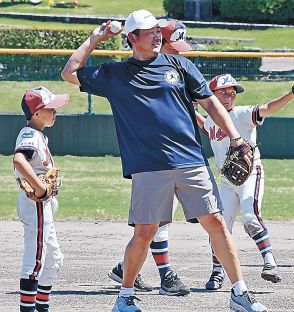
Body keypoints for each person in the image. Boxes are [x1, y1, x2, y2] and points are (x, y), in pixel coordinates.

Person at [61, 9, 267, 312]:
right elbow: (69, 72)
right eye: (149, 32)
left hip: (190, 160)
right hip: (148, 165)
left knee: (218, 224)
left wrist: (236, 137)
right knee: (144, 233)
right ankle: (125, 297)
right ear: (132, 38)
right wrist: (96, 37)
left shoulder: (179, 65)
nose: (157, 35)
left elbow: (210, 104)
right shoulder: (115, 74)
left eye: (158, 30)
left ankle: (239, 292)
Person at [108, 19, 193, 297]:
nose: (177, 52)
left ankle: (127, 267)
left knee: (157, 222)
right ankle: (164, 274)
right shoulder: (140, 70)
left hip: (173, 153)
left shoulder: (174, 68)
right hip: (151, 156)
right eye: (172, 45)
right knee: (155, 222)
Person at [194, 74, 294, 290]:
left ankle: (269, 261)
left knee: (250, 216)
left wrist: (291, 94)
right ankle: (217, 272)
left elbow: (266, 108)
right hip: (226, 180)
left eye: (232, 93)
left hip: (250, 175)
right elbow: (203, 123)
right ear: (212, 95)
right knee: (220, 226)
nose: (230, 96)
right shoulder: (212, 120)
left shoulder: (242, 114)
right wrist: (186, 104)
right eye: (224, 92)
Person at [13, 86, 68, 312]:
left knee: (54, 259)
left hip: (42, 206)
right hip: (35, 204)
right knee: (35, 261)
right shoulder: (29, 135)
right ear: (36, 113)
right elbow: (18, 159)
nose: (55, 112)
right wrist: (40, 188)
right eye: (50, 108)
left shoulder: (38, 135)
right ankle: (27, 309)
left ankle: (41, 306)